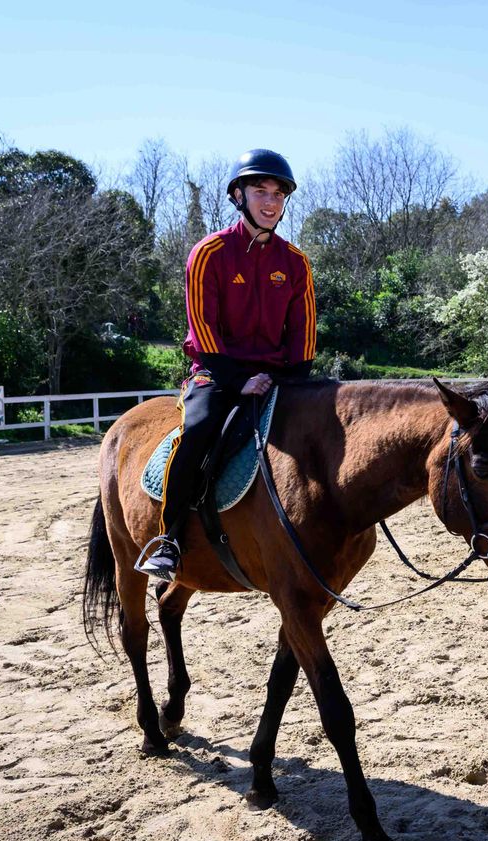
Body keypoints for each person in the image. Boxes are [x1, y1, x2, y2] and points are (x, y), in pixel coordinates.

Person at [140, 148, 316, 580]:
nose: (271, 202)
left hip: (280, 377)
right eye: (261, 191)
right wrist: (239, 380)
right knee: (198, 430)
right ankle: (169, 539)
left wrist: (283, 377)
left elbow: (304, 333)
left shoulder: (295, 263)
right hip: (217, 374)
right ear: (238, 195)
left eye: (278, 194)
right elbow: (203, 327)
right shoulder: (209, 253)